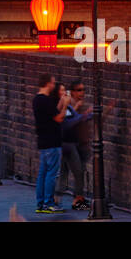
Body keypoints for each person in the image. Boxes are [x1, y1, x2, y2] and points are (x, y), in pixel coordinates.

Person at [33, 73, 69, 214]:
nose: (54, 86)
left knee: (42, 174)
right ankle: (49, 203)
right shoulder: (46, 101)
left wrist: (60, 102)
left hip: (43, 141)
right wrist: (65, 105)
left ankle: (40, 203)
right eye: (53, 83)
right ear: (48, 83)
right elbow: (59, 118)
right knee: (51, 174)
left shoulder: (38, 99)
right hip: (52, 142)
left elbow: (52, 113)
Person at [57, 80, 93, 211]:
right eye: (62, 92)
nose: (64, 94)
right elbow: (66, 124)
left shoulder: (69, 108)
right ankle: (74, 200)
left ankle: (61, 199)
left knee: (66, 172)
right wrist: (84, 115)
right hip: (66, 144)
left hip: (70, 144)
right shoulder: (61, 108)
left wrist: (89, 114)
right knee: (75, 172)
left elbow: (77, 117)